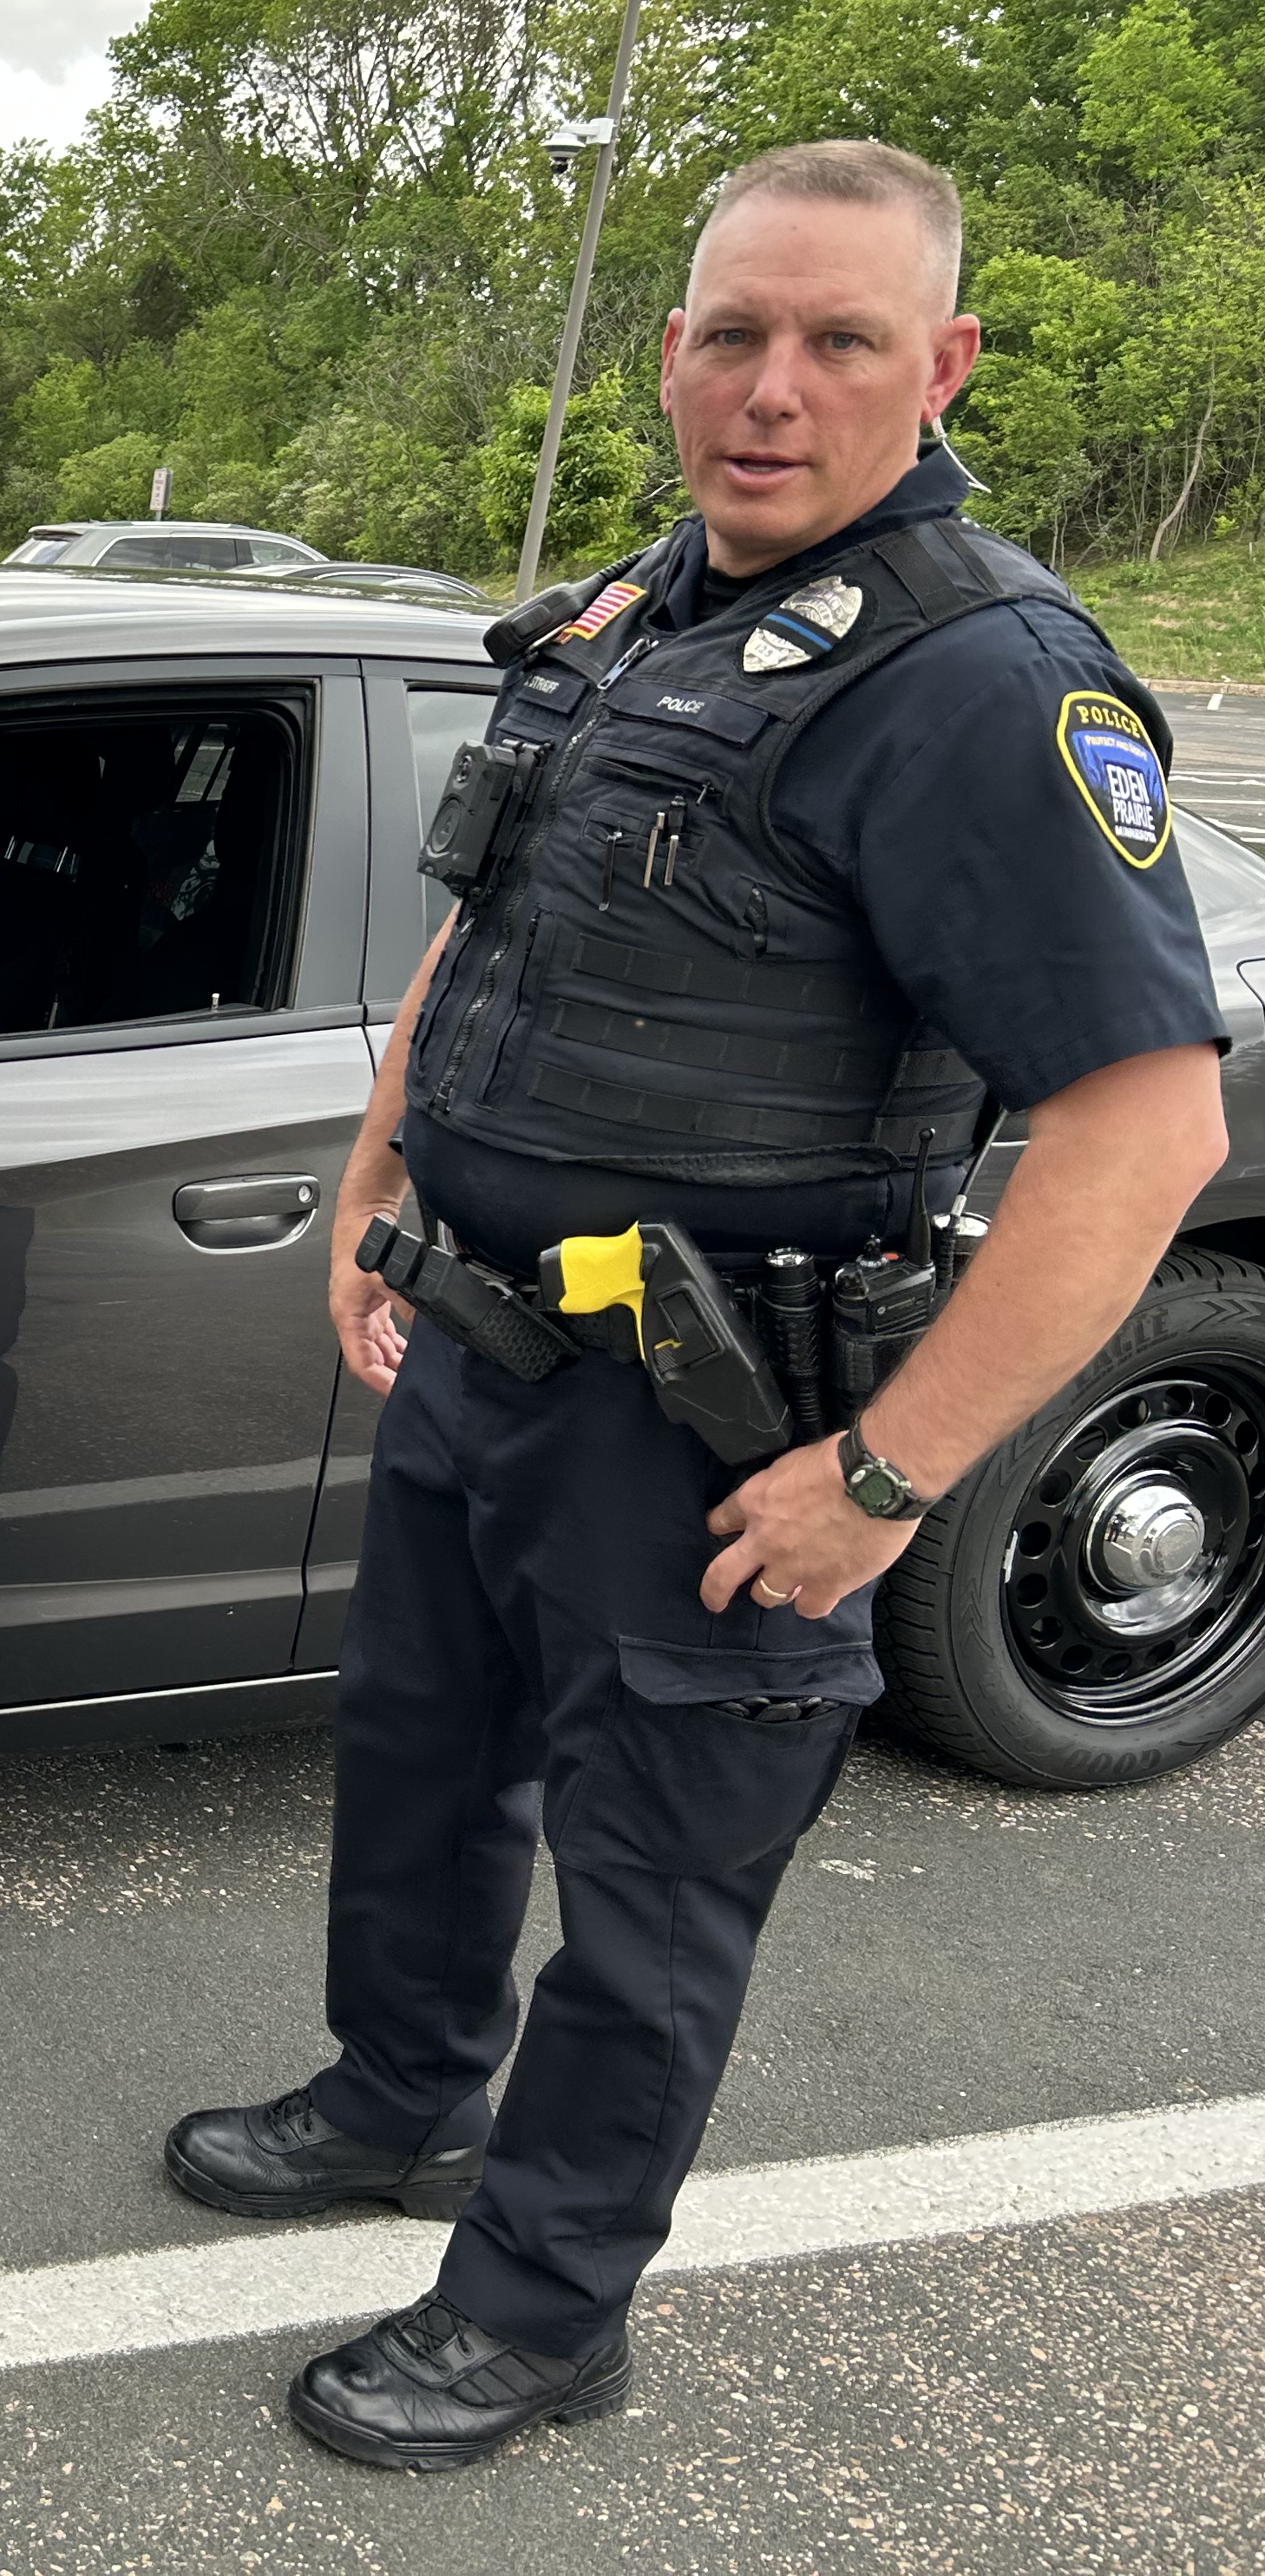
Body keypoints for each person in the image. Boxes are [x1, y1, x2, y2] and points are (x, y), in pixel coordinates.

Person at [163, 140, 1232, 2471]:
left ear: (940, 365)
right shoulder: (649, 607)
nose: (774, 388)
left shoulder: (986, 685)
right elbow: (494, 925)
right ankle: (399, 2101)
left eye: (841, 341)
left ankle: (544, 2313)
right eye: (734, 333)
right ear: (670, 351)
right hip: (481, 1346)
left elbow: (1145, 1136)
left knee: (650, 1896)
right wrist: (375, 1190)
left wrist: (882, 1481)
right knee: (424, 1779)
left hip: (715, 1411)